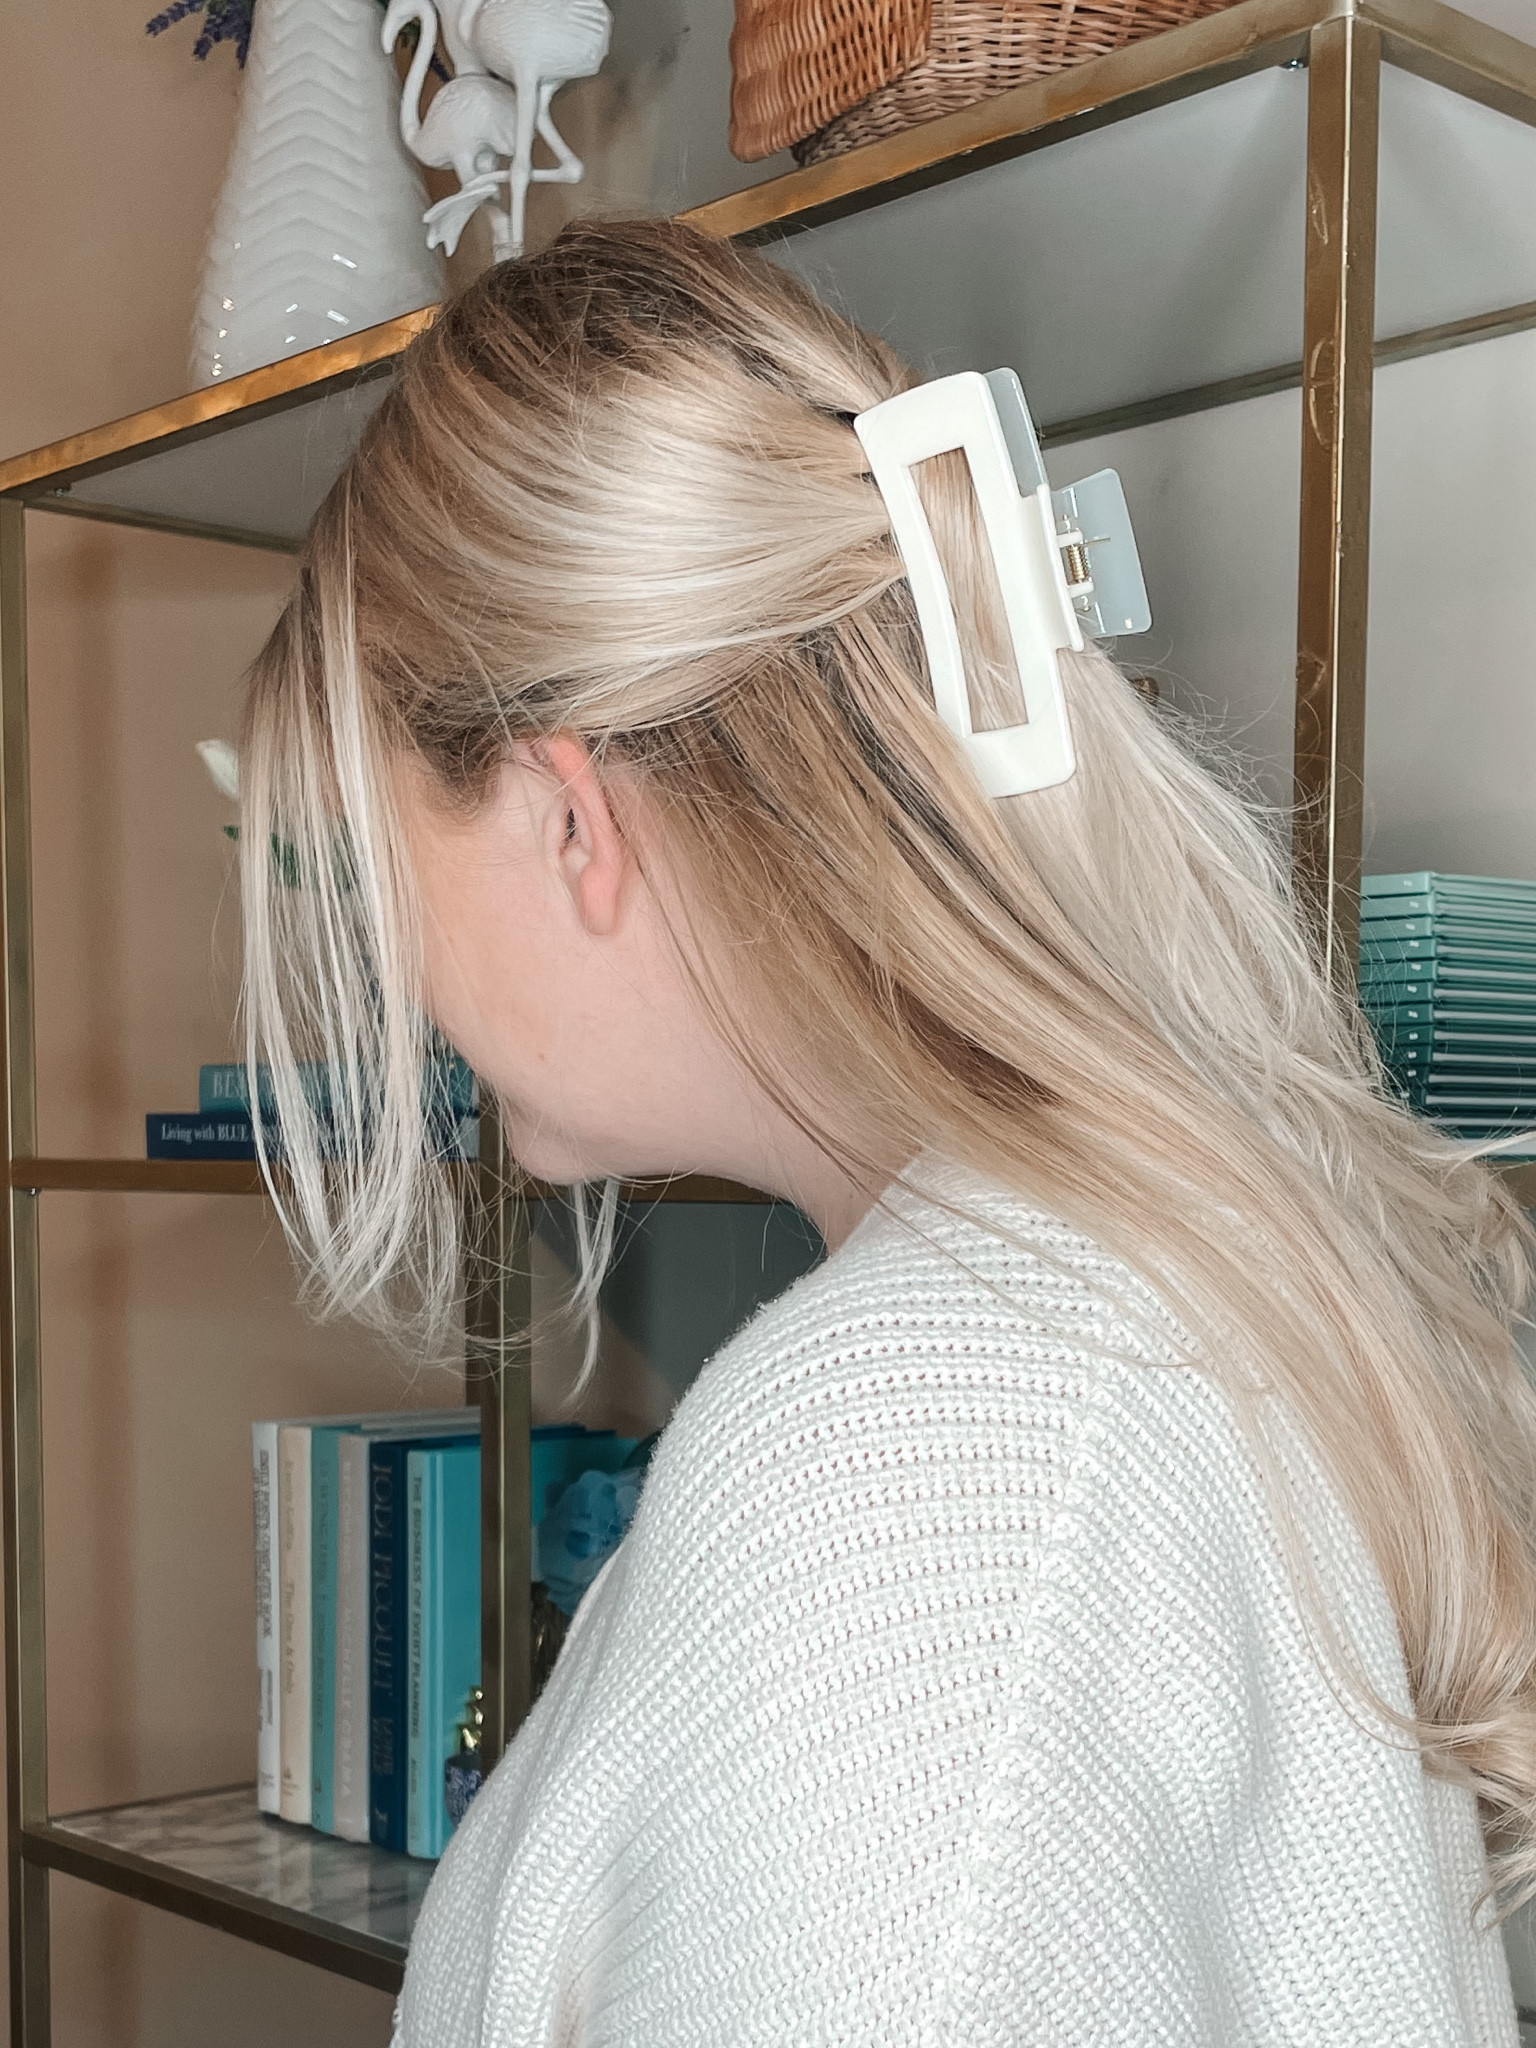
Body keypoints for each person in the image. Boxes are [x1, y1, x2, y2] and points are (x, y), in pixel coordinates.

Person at [239, 218, 1536, 2046]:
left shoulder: (915, 1479)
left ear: (562, 818)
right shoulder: (1124, 1298)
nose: (396, 974)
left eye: (383, 873)